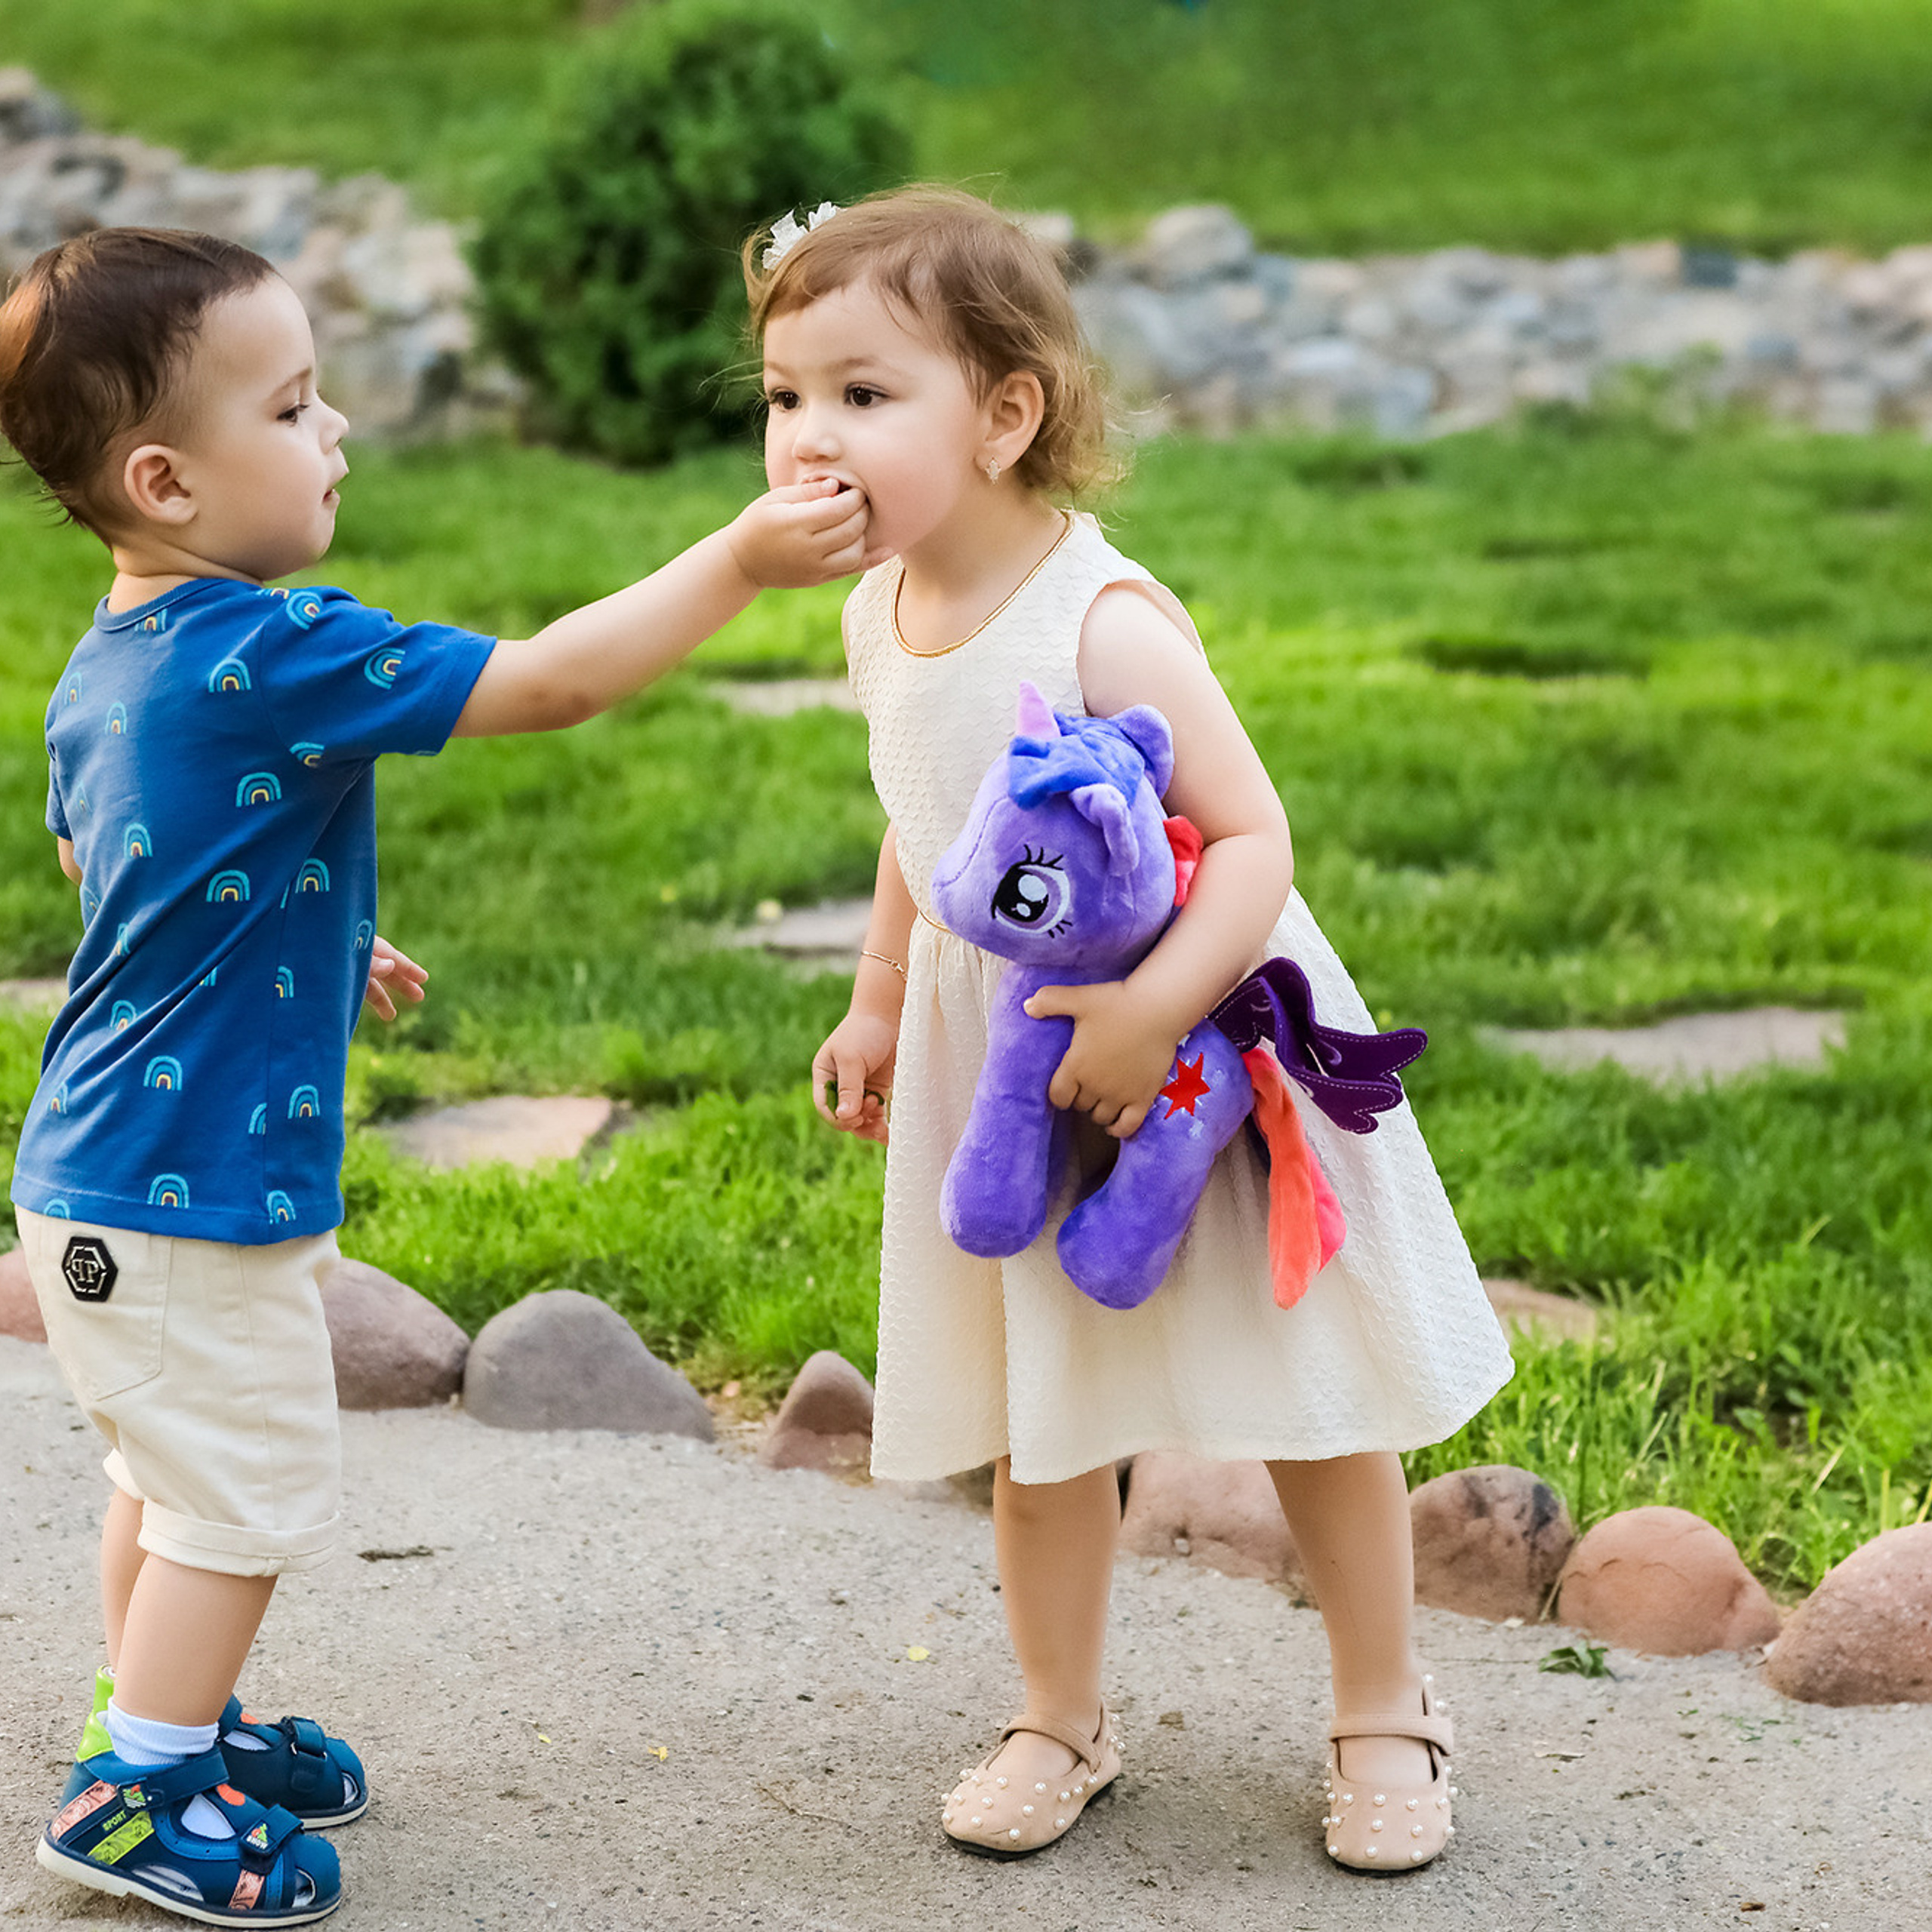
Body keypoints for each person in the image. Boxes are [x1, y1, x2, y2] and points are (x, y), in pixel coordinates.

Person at [0, 225, 869, 1925]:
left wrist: (322, 944)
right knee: (238, 1501)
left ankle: (157, 1715)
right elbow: (552, 682)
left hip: (97, 1174)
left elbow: (108, 862)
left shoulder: (114, 655)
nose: (337, 436)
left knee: (168, 1482)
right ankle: (135, 1794)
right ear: (167, 479)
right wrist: (743, 560)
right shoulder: (276, 646)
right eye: (298, 405)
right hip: (187, 1186)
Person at [752, 187, 1515, 1872]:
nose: (808, 435)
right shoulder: (877, 613)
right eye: (785, 394)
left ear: (1004, 411)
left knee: (1310, 1397)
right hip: (1009, 1060)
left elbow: (1251, 841)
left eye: (862, 395)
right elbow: (921, 825)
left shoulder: (1097, 619)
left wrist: (1155, 1000)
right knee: (1043, 1408)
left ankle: (1385, 1702)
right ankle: (1056, 1709)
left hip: (1196, 1054)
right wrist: (880, 995)